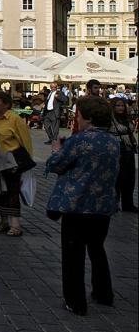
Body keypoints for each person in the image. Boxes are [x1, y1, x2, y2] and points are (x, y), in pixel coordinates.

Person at [46, 96, 120, 316]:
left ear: (87, 117)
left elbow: (55, 164)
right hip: (103, 205)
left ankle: (75, 301)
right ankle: (104, 293)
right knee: (97, 249)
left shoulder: (80, 140)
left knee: (73, 255)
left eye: (78, 114)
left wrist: (57, 148)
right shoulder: (112, 141)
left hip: (77, 205)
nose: (76, 117)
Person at [0, 91, 34, 236]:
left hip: (11, 164)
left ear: (6, 105)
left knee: (11, 194)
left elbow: (26, 142)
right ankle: (3, 221)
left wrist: (26, 164)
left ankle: (15, 225)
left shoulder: (15, 119)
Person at [109, 97, 137, 212]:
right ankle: (114, 204)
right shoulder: (110, 120)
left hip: (129, 150)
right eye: (118, 106)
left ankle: (128, 204)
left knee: (130, 179)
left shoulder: (127, 118)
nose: (121, 108)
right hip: (117, 151)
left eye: (122, 106)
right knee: (117, 178)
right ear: (113, 107)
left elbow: (130, 132)